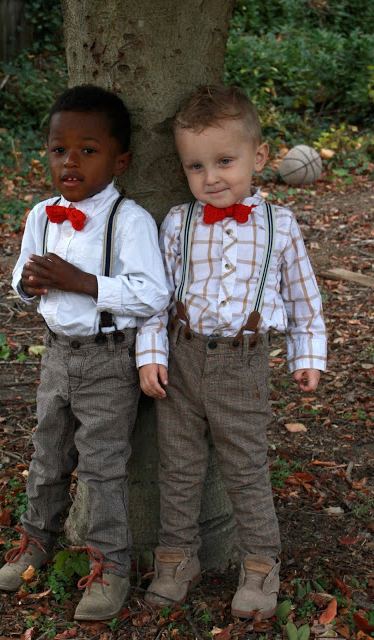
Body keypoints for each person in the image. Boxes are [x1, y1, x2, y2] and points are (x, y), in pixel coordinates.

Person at [136, 84, 327, 619]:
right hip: (180, 357)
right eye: (196, 166)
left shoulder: (279, 225)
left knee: (245, 468)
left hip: (244, 364)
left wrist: (307, 357)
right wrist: (150, 353)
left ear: (258, 157)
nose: (211, 177)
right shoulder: (178, 223)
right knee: (179, 466)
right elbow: (156, 297)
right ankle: (177, 559)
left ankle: (261, 565)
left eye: (224, 161)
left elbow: (303, 298)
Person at [0, 85, 169, 621]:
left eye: (88, 150)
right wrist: (28, 283)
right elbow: (21, 280)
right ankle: (37, 541)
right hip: (56, 355)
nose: (71, 161)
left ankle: (110, 565)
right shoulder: (41, 215)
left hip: (109, 359)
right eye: (59, 149)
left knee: (101, 467)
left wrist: (83, 281)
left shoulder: (129, 221)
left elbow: (152, 294)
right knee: (47, 452)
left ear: (121, 160)